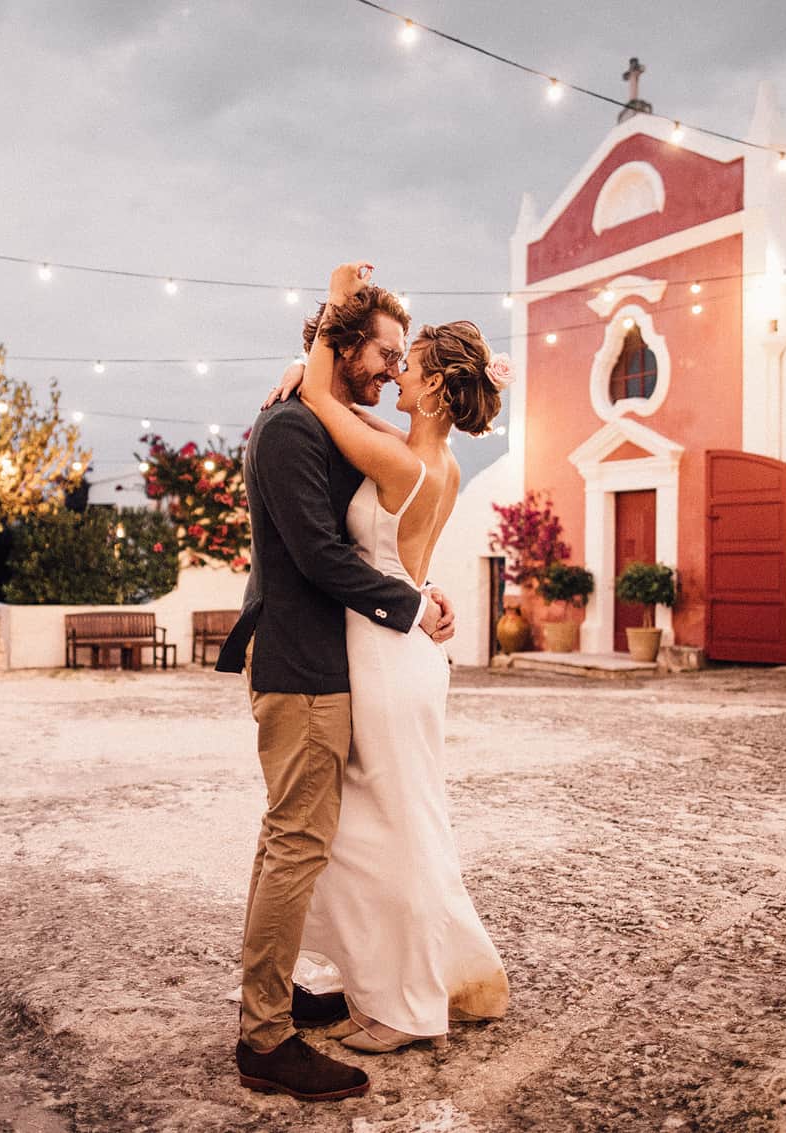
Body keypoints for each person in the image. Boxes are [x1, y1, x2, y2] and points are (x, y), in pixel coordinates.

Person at [215, 279, 458, 1102]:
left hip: (329, 660)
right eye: (385, 353)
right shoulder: (289, 428)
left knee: (289, 838)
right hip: (302, 662)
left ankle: (273, 998)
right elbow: (318, 557)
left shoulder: (316, 414)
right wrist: (414, 607)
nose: (392, 371)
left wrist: (307, 364)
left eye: (402, 358)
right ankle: (266, 1040)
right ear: (345, 345)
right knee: (296, 844)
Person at [269, 262, 511, 1056]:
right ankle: (431, 974)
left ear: (437, 387)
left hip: (383, 654)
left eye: (411, 366)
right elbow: (329, 400)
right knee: (402, 822)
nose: (398, 373)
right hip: (404, 651)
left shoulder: (403, 463)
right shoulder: (429, 458)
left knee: (387, 831)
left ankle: (407, 1007)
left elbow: (317, 401)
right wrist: (308, 370)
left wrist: (334, 308)